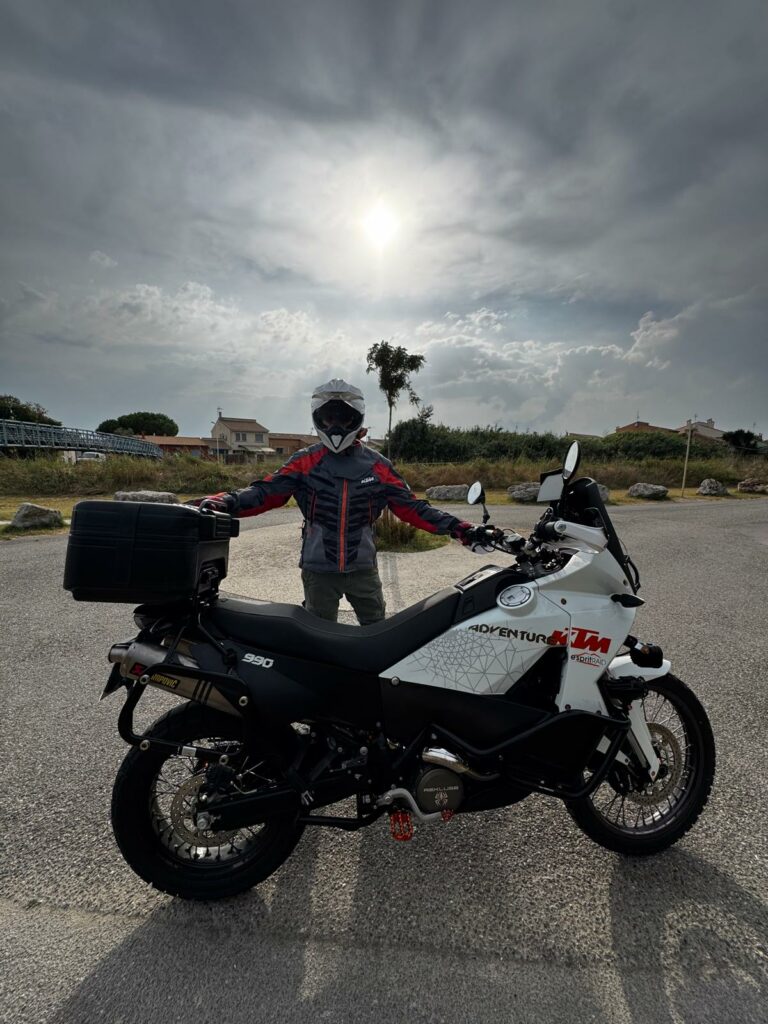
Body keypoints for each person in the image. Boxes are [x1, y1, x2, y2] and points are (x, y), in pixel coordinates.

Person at [201, 379, 495, 624]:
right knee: (318, 639)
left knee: (379, 635)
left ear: (357, 419)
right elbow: (266, 493)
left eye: (344, 417)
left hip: (362, 568)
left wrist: (462, 529)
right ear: (319, 419)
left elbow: (412, 508)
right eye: (330, 417)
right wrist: (224, 501)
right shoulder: (305, 461)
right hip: (319, 571)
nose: (337, 425)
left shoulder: (377, 465)